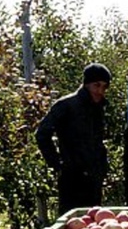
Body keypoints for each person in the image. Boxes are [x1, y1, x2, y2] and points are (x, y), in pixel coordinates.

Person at [35, 63, 112, 216]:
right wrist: (57, 164)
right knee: (71, 223)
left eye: (104, 87)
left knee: (92, 222)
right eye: (97, 85)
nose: (100, 91)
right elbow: (42, 133)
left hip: (94, 176)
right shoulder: (66, 106)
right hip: (72, 177)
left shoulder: (98, 108)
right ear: (87, 84)